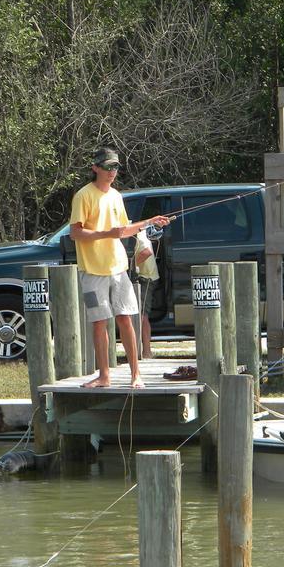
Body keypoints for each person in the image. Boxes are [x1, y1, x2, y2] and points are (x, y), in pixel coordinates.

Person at [70, 147, 169, 388]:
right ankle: (104, 376)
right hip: (92, 271)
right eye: (107, 167)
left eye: (115, 167)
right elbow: (75, 232)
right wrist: (106, 233)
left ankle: (136, 375)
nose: (112, 171)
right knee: (100, 322)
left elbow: (124, 229)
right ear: (95, 168)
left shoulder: (115, 196)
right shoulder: (83, 196)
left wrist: (149, 222)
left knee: (126, 320)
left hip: (118, 269)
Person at [134, 228, 160, 359]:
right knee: (139, 315)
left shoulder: (138, 233)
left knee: (142, 315)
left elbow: (147, 252)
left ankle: (147, 352)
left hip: (147, 277)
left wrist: (130, 265)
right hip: (140, 277)